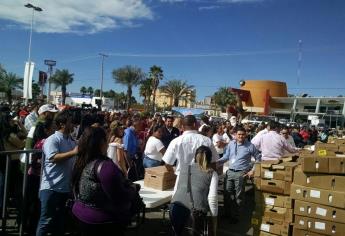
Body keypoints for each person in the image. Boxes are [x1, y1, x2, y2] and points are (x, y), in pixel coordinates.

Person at [72, 127, 137, 236]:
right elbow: (119, 197)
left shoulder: (81, 161)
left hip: (80, 215)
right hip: (101, 221)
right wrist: (133, 190)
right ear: (102, 143)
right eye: (106, 141)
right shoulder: (105, 167)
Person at [36, 110, 78, 236]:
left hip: (64, 188)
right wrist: (74, 152)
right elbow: (53, 157)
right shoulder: (52, 140)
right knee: (46, 221)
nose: (73, 125)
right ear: (62, 124)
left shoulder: (71, 140)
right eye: (70, 122)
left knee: (59, 222)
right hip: (51, 188)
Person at [170, 145, 218, 236]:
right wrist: (214, 218)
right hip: (195, 212)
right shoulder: (211, 173)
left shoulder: (184, 168)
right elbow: (212, 199)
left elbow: (175, 189)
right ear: (210, 159)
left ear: (195, 156)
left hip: (175, 206)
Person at [162, 115, 219, 191]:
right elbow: (213, 163)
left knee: (179, 200)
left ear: (182, 126)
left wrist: (175, 173)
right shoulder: (206, 140)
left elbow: (167, 163)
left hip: (181, 178)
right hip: (201, 179)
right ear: (195, 124)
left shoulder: (176, 141)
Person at [218, 126, 261, 223]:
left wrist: (252, 170)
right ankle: (227, 214)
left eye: (243, 134)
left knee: (239, 196)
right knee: (227, 194)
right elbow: (226, 157)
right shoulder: (231, 144)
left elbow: (258, 158)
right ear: (235, 135)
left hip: (241, 173)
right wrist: (217, 162)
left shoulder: (250, 146)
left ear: (245, 135)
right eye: (239, 134)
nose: (241, 136)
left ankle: (236, 216)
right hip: (230, 172)